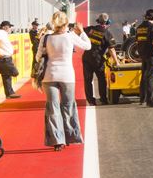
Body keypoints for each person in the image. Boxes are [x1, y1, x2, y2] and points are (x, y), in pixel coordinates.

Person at [36, 11, 91, 150]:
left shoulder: (46, 38)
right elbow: (87, 46)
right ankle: (70, 136)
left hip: (49, 75)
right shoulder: (70, 36)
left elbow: (38, 57)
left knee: (53, 107)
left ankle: (57, 140)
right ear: (66, 23)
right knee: (68, 106)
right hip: (67, 76)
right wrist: (82, 32)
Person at [82, 13, 119, 105]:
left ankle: (91, 101)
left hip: (86, 58)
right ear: (108, 22)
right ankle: (103, 99)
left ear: (98, 21)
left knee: (88, 80)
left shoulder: (90, 29)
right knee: (101, 79)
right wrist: (117, 62)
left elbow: (80, 30)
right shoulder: (107, 33)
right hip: (98, 60)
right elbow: (111, 49)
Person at [135, 9, 153, 107]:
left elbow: (137, 41)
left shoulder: (139, 27)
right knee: (152, 77)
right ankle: (151, 100)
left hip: (143, 54)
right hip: (151, 55)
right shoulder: (152, 27)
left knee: (144, 76)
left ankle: (142, 98)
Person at [0, 20, 20, 99]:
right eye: (9, 27)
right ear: (5, 27)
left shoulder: (3, 33)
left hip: (4, 58)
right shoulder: (1, 33)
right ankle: (9, 93)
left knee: (6, 77)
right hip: (4, 59)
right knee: (15, 73)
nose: (10, 29)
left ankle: (9, 93)